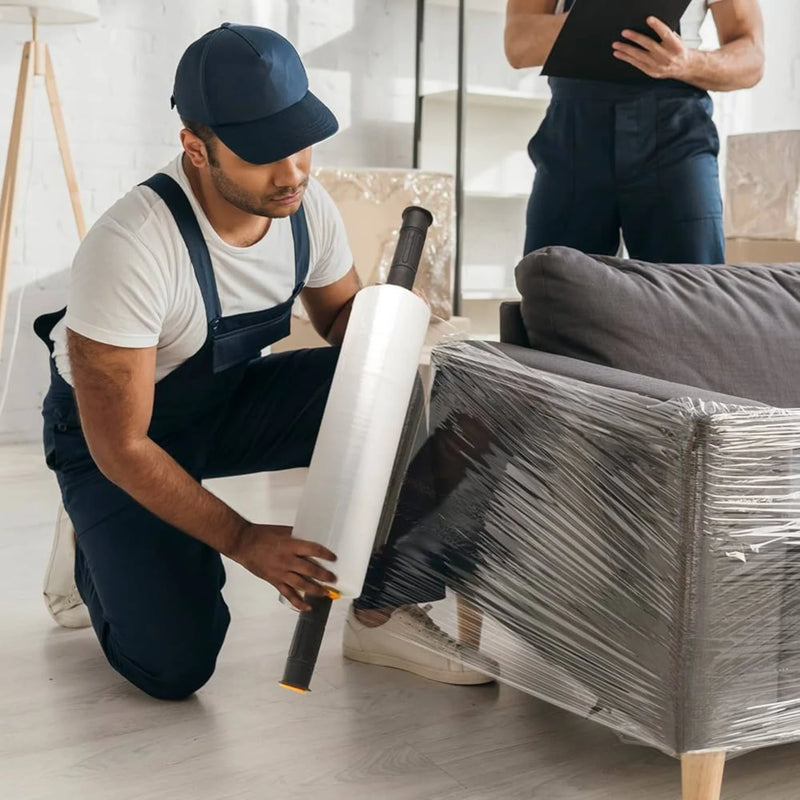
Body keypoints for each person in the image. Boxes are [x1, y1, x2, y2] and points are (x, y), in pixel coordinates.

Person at [37, 23, 492, 700]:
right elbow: (124, 444)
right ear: (196, 148)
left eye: (299, 144)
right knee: (174, 666)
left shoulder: (306, 209)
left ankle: (383, 608)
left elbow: (341, 322)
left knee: (419, 393)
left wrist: (389, 324)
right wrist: (246, 539)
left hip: (223, 402)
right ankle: (92, 536)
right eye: (260, 155)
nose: (292, 174)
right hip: (118, 438)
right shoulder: (131, 246)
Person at [505, 0, 765, 263]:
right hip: (574, 129)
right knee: (552, 283)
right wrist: (601, 19)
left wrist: (688, 63)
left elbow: (751, 58)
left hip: (675, 131)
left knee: (689, 290)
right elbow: (518, 43)